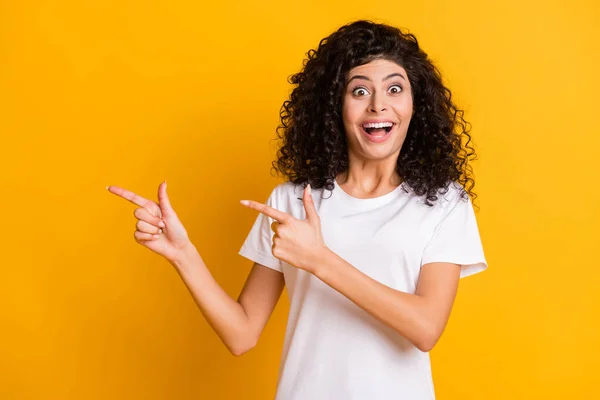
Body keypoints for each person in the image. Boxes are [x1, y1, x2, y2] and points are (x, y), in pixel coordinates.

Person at [107, 20, 488, 400]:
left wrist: (319, 259)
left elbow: (425, 328)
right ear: (335, 106)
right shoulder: (291, 201)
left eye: (394, 88)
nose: (378, 104)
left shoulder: (443, 202)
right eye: (359, 90)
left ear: (414, 104)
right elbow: (241, 334)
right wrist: (183, 254)